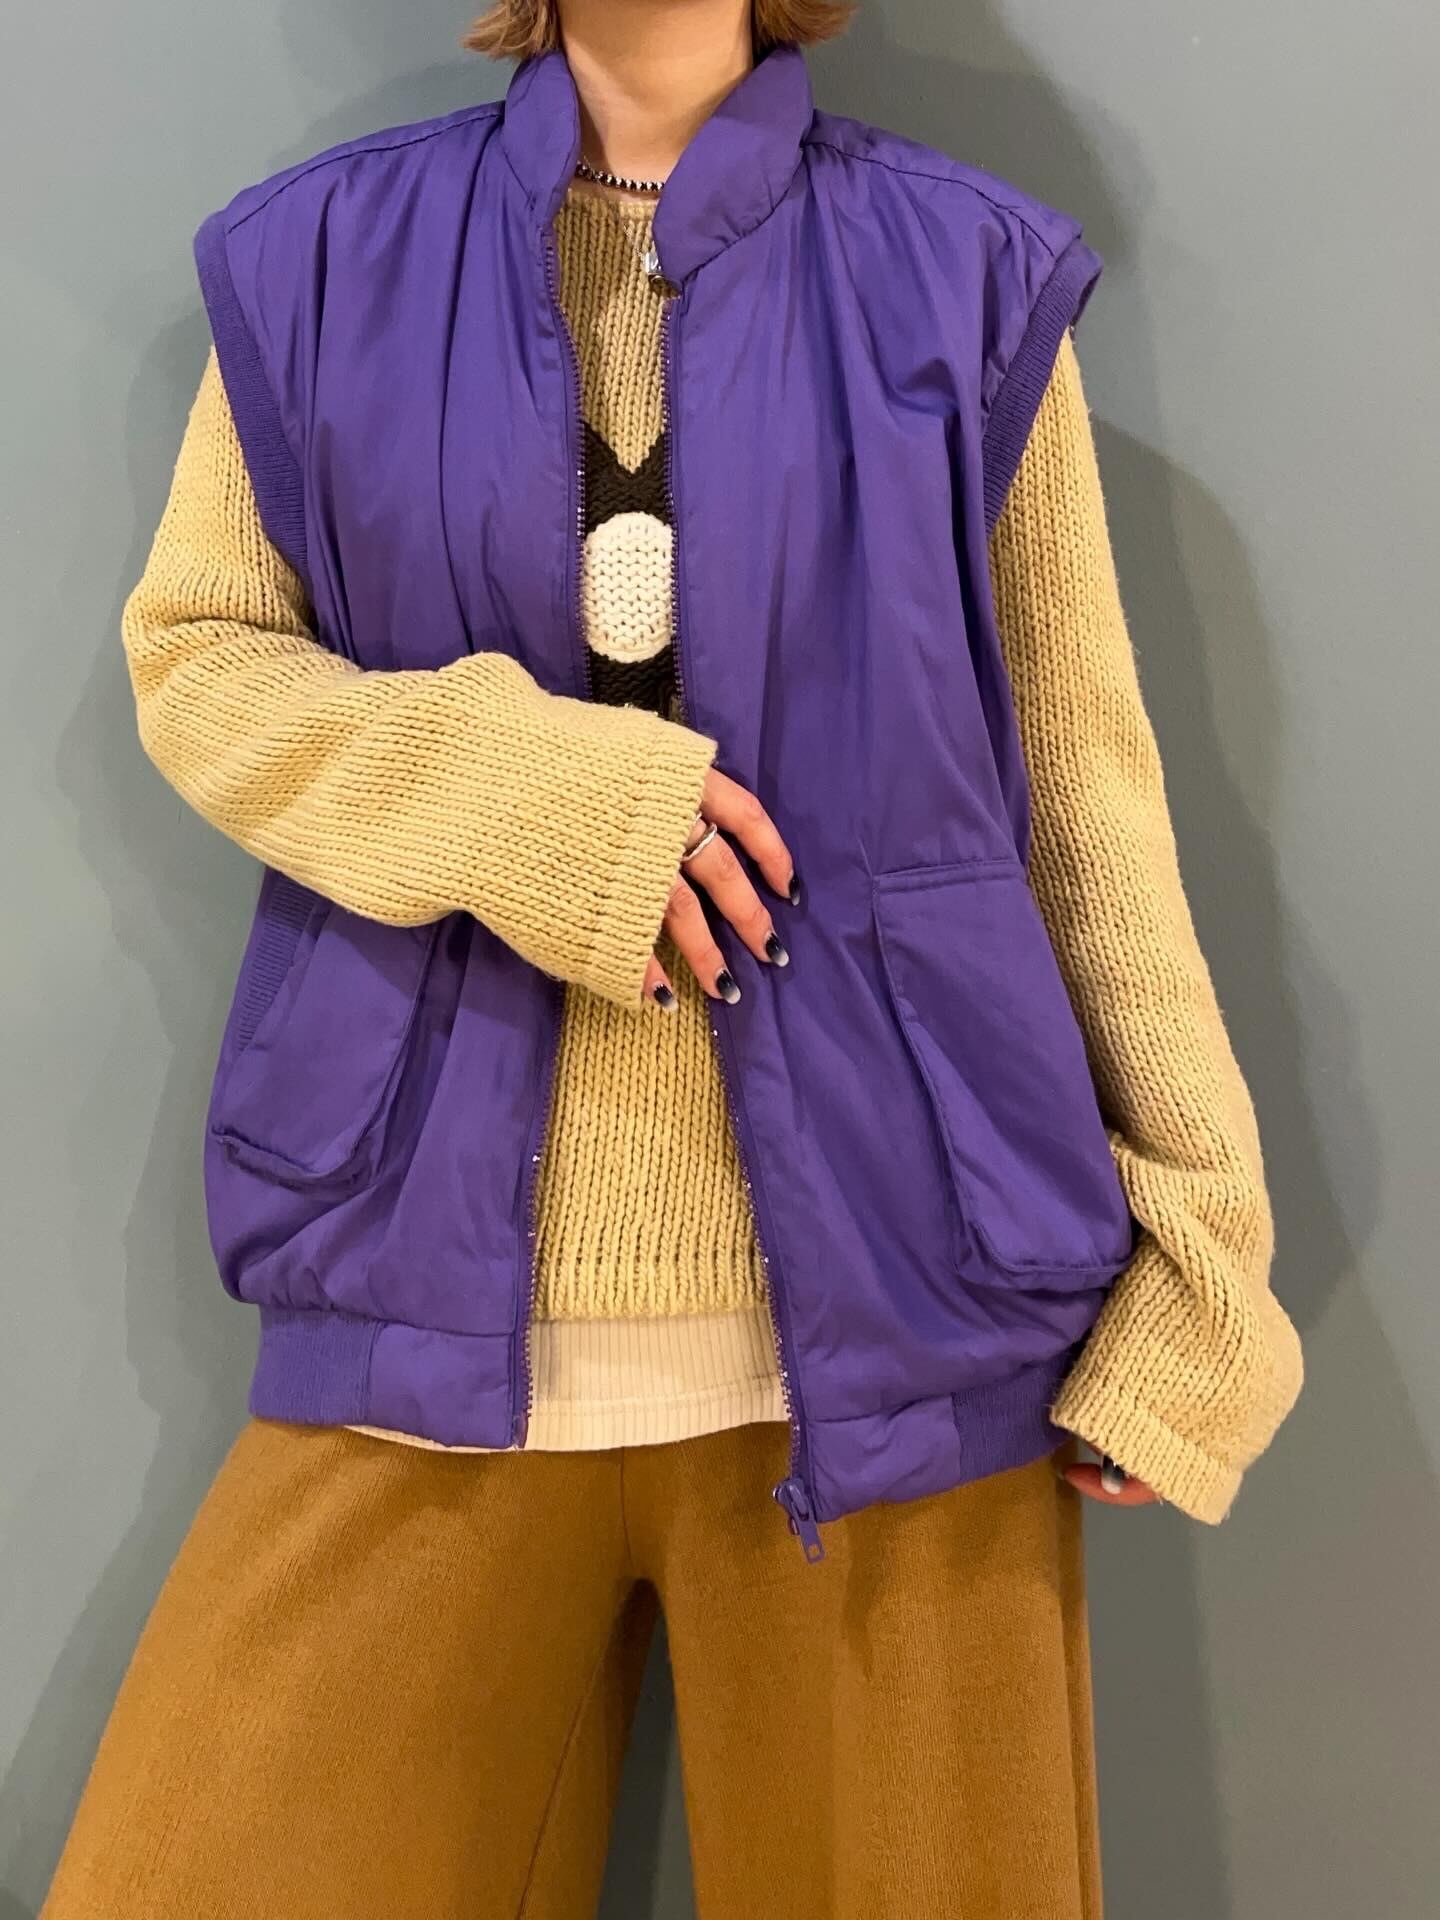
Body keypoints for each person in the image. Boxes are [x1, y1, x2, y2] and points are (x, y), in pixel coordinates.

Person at [41, 1, 1304, 1914]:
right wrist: (529, 796)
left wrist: (1203, 1261)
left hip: (906, 1340)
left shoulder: (961, 275)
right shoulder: (318, 261)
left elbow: (1083, 798)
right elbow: (201, 660)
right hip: (418, 1310)